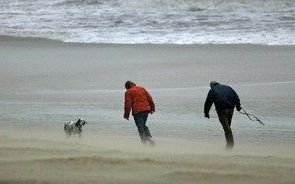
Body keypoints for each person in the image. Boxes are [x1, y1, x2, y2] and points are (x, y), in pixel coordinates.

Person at [204, 81, 241, 149]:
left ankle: (230, 144)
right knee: (227, 126)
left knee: (226, 127)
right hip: (230, 109)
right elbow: (236, 96)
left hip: (221, 110)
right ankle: (229, 144)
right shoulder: (228, 87)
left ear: (212, 86)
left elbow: (208, 102)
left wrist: (206, 113)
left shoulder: (212, 90)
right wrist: (238, 107)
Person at [124, 81, 156, 145]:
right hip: (146, 110)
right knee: (143, 125)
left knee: (140, 127)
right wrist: (152, 109)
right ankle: (148, 138)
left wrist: (126, 115)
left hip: (137, 111)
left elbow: (128, 104)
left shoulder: (128, 92)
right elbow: (150, 99)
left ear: (127, 87)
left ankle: (146, 142)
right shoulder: (142, 89)